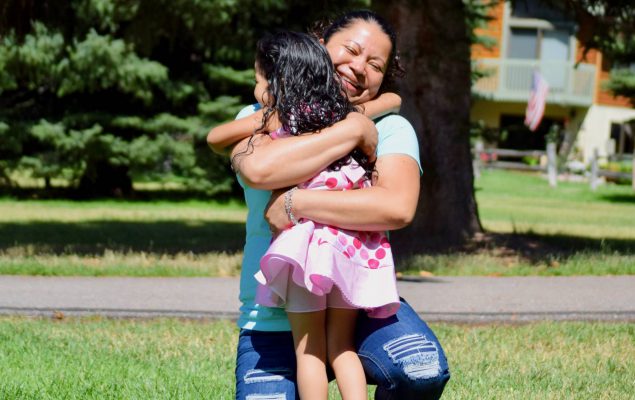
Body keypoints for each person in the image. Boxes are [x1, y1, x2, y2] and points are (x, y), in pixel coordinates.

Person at [207, 10, 450, 400]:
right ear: (319, 47)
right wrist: (352, 126)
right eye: (351, 50)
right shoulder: (258, 116)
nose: (359, 68)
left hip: (359, 302)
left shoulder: (391, 127)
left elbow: (397, 207)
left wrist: (296, 202)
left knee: (420, 370)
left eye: (375, 64)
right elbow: (258, 170)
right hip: (270, 321)